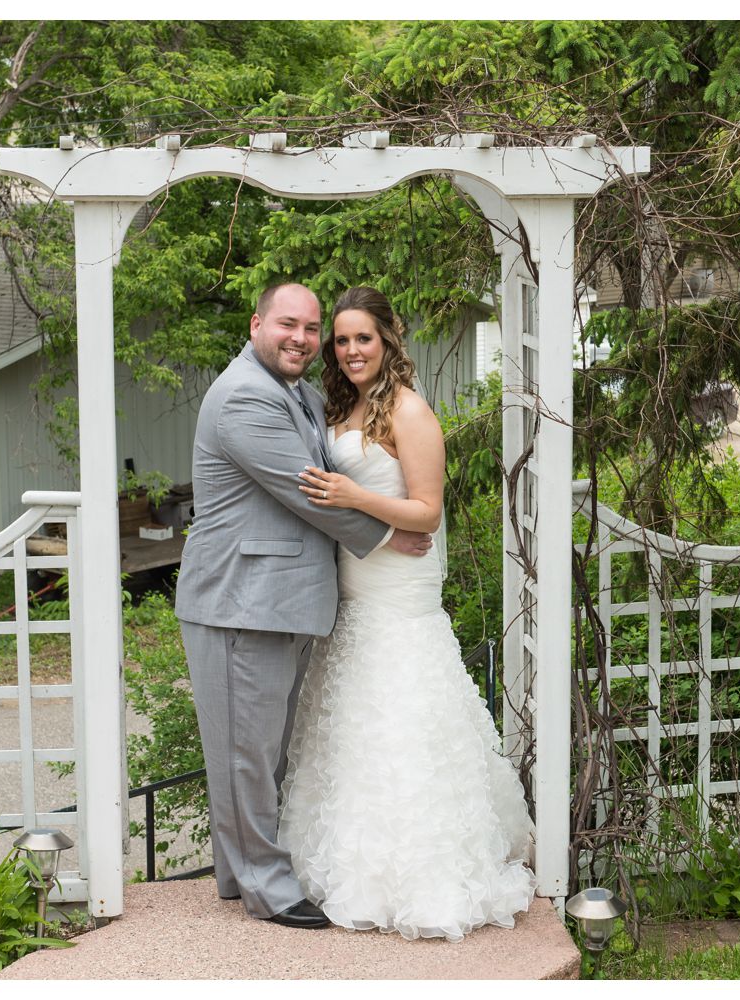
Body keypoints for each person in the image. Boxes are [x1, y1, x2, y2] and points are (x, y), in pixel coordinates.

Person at [278, 285, 535, 942]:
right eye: (342, 340)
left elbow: (426, 512)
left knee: (403, 724)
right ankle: (349, 869)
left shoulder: (410, 412)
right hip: (352, 596)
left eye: (363, 337)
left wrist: (352, 495)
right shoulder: (343, 407)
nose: (351, 350)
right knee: (352, 729)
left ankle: (423, 877)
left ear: (389, 339)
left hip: (399, 593)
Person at [175, 283, 434, 930]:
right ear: (257, 322)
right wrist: (387, 535)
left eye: (312, 328)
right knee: (247, 755)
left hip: (281, 602)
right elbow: (310, 494)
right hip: (241, 602)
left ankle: (239, 877)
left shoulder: (300, 394)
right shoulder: (244, 397)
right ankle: (266, 885)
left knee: (257, 752)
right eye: (288, 324)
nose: (302, 338)